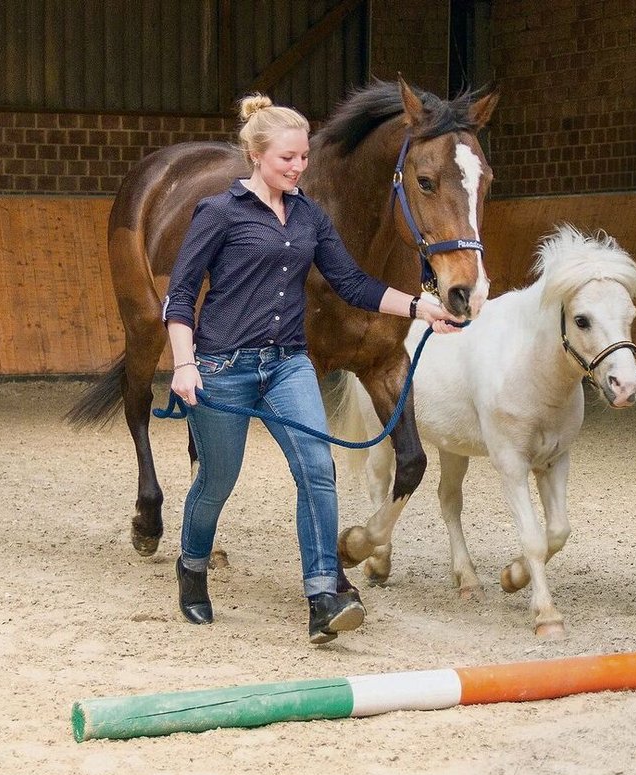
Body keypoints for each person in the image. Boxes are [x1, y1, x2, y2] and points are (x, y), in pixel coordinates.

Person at [163, 94, 462, 644]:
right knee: (216, 481)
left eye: (303, 157)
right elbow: (180, 298)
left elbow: (353, 284)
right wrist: (184, 364)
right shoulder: (219, 213)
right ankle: (192, 564)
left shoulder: (309, 216)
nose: (299, 167)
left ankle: (324, 592)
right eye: (287, 159)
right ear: (256, 156)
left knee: (316, 469)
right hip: (221, 367)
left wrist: (422, 308)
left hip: (287, 365)